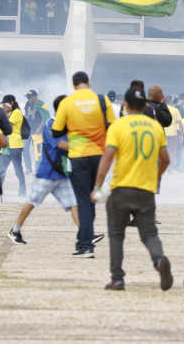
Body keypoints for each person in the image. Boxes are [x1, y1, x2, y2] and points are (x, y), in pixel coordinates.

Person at [91, 86, 173, 291]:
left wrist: (98, 186)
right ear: (144, 104)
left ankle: (117, 278)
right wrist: (156, 177)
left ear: (126, 105)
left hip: (121, 189)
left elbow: (107, 159)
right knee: (149, 233)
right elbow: (165, 160)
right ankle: (158, 260)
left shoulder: (118, 127)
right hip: (146, 189)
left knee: (116, 234)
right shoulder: (155, 127)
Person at [52, 71, 115, 258]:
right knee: (92, 198)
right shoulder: (102, 100)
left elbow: (56, 131)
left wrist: (72, 126)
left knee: (83, 201)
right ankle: (85, 240)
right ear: (88, 82)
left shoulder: (67, 102)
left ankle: (85, 245)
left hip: (78, 156)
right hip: (99, 155)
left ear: (73, 85)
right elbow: (112, 126)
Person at [8, 95, 80, 245]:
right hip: (46, 174)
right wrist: (84, 148)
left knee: (73, 203)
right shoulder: (51, 125)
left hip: (60, 174)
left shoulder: (66, 125)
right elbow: (61, 145)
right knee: (32, 202)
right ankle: (15, 230)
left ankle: (85, 234)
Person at [0, 94, 28, 199]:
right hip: (7, 146)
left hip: (15, 145)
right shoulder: (9, 113)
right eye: (2, 105)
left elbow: (7, 126)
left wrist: (4, 116)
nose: (3, 107)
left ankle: (22, 193)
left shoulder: (16, 113)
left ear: (11, 103)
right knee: (2, 170)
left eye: (5, 105)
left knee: (18, 170)